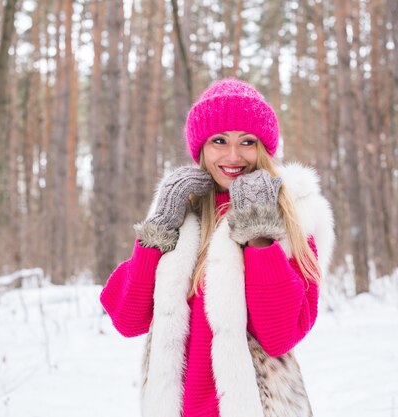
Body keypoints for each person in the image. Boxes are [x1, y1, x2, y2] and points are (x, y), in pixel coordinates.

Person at [100, 78, 335, 417]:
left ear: (265, 148)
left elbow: (279, 334)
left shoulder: (295, 217)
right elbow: (127, 317)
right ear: (201, 148)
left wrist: (258, 230)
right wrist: (161, 224)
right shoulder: (184, 212)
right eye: (219, 140)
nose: (233, 155)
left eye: (247, 141)